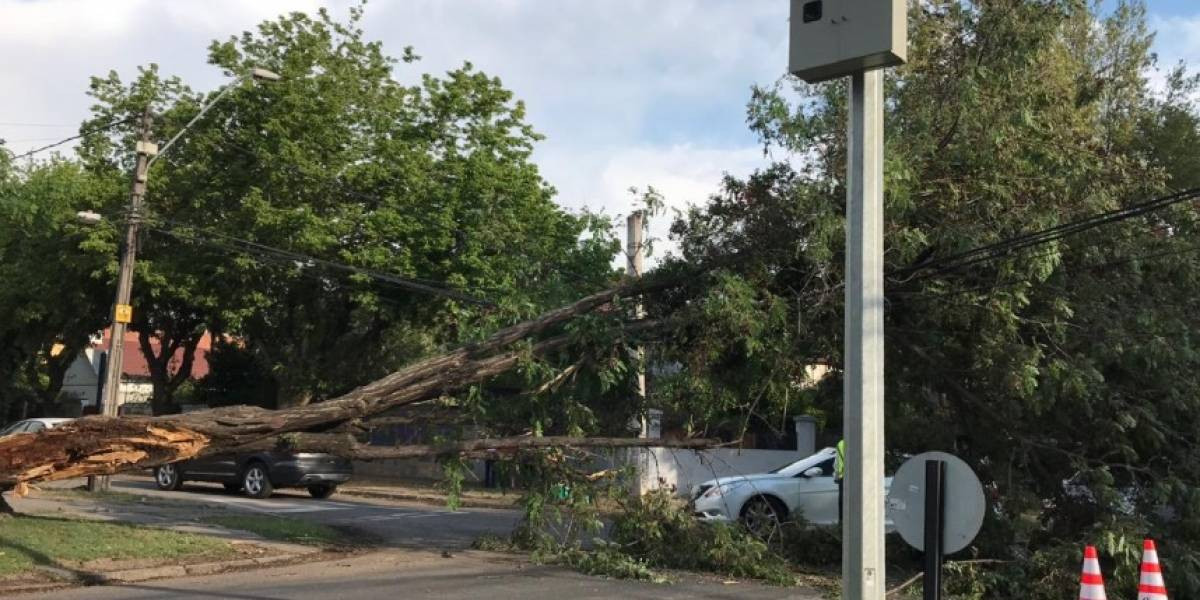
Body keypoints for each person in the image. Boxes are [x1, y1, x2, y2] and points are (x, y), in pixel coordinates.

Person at [834, 438, 846, 524]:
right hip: (858, 478)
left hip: (844, 478)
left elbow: (837, 463)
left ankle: (842, 525)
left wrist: (836, 477)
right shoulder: (862, 440)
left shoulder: (841, 443)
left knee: (843, 504)